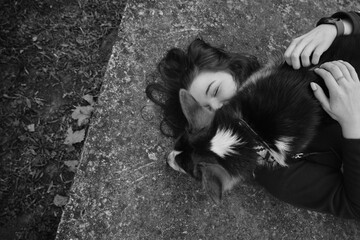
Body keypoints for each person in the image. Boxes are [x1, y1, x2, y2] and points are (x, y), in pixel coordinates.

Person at [145, 11, 360, 219]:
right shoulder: (281, 176)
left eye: (216, 91)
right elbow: (354, 206)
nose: (221, 107)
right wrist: (353, 125)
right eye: (208, 108)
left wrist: (338, 26)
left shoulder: (298, 56)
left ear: (234, 69)